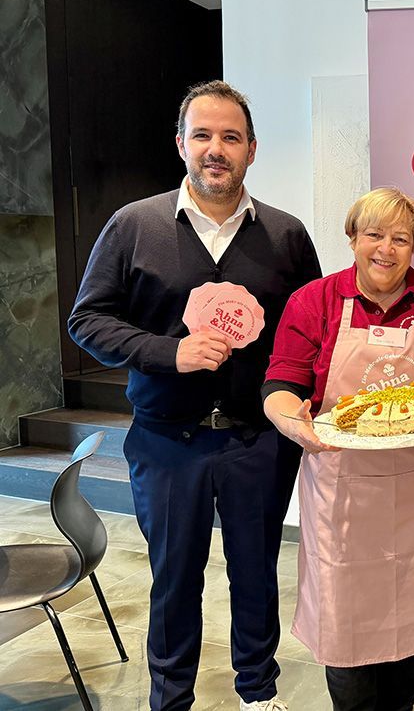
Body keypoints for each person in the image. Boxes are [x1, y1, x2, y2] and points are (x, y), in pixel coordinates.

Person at [68, 80, 321, 711]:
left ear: (252, 150)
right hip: (165, 442)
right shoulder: (134, 226)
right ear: (181, 143)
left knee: (257, 574)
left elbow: (310, 332)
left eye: (231, 137)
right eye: (202, 134)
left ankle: (257, 693)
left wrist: (302, 401)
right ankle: (170, 698)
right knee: (173, 580)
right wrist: (167, 352)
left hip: (256, 442)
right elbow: (87, 320)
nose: (216, 149)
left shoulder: (286, 236)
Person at [262, 188, 414, 710]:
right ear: (352, 238)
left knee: (410, 618)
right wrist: (294, 422)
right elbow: (281, 382)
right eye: (374, 235)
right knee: (347, 624)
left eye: (400, 239)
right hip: (343, 492)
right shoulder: (314, 301)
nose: (386, 249)